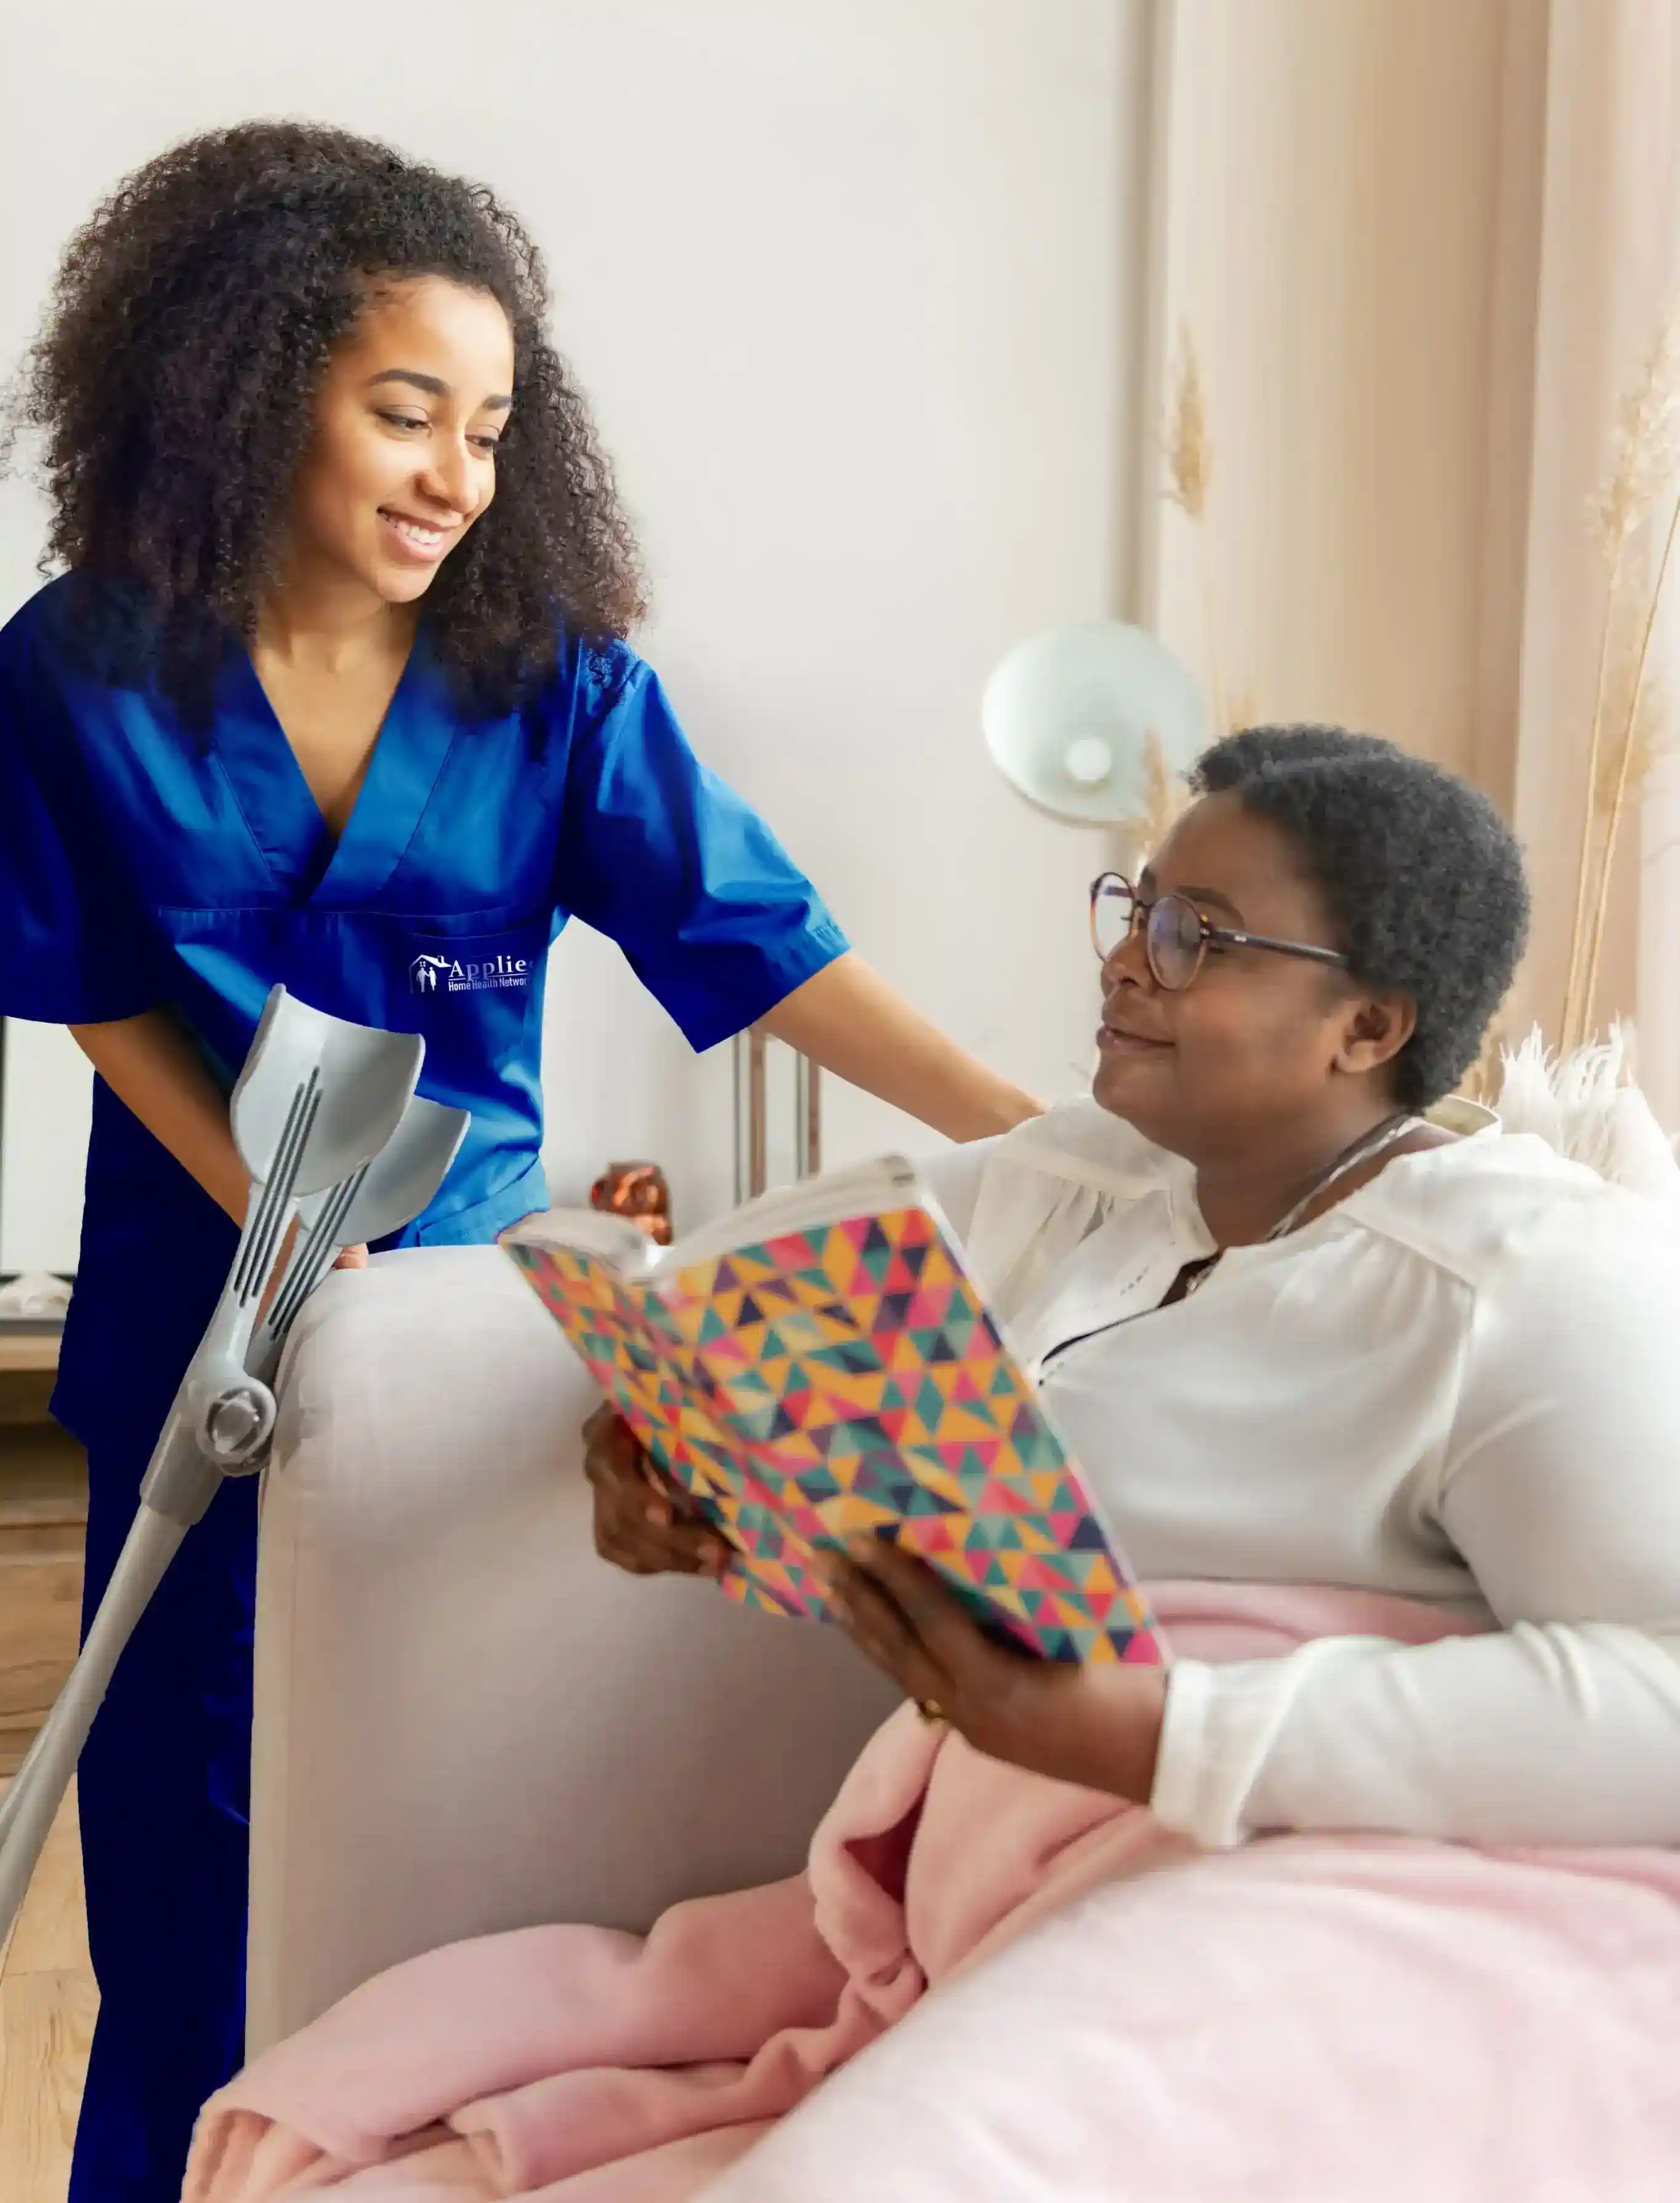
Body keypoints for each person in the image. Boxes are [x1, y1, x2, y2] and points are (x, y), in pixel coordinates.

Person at [0, 121, 1040, 2203]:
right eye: (405, 411)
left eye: (486, 428)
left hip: (472, 1345)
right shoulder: (75, 668)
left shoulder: (546, 686)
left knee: (466, 1839)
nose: (453, 476)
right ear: (248, 378)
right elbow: (97, 977)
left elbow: (761, 945)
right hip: (203, 1325)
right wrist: (266, 1219)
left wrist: (1043, 1135)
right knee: (190, 1887)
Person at [590, 723, 1680, 1846]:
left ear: (1365, 1027)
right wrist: (660, 1433)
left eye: (1190, 937)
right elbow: (724, 1301)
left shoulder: (1529, 1280)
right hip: (1003, 1874)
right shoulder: (1077, 1174)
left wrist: (1160, 1732)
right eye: (1134, 911)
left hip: (1315, 1894)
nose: (1121, 961)